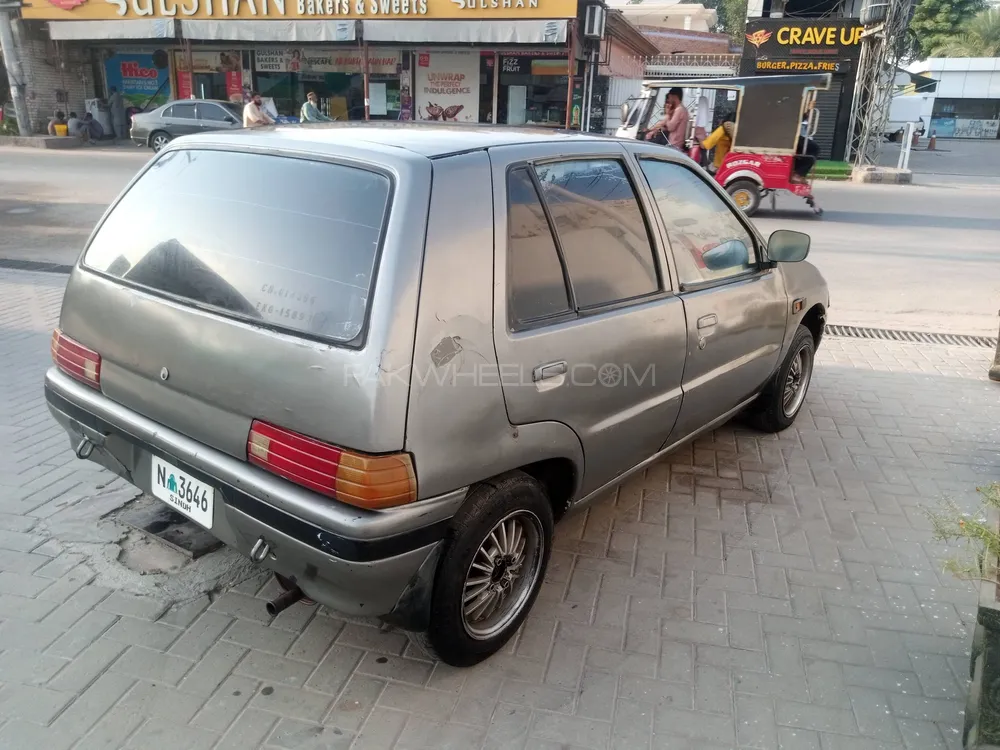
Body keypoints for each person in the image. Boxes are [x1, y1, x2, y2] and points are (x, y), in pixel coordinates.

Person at [645, 87, 689, 151]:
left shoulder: (679, 110)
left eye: (670, 97)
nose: (669, 100)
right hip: (671, 143)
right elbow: (663, 122)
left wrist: (667, 114)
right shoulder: (679, 109)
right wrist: (650, 129)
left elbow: (671, 127)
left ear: (674, 97)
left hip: (674, 145)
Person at [792, 111, 819, 184]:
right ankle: (797, 174)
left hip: (796, 136)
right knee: (814, 148)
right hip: (794, 136)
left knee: (809, 150)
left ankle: (797, 173)